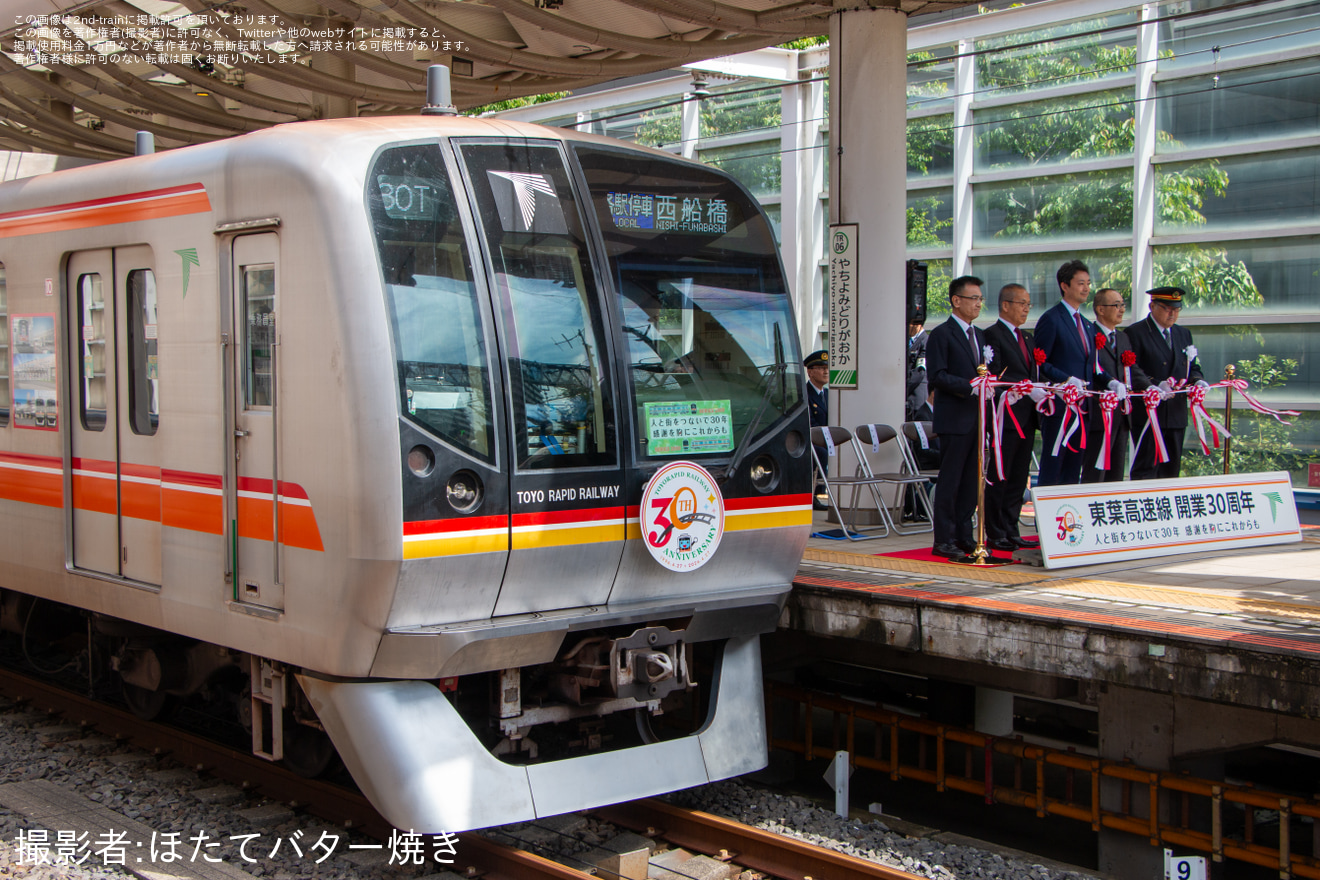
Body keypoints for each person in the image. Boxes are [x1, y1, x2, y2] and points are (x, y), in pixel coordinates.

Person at [926, 275, 988, 559]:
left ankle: (964, 535)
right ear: (956, 300)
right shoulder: (942, 334)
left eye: (980, 299)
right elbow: (937, 376)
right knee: (950, 481)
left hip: (977, 417)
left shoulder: (979, 335)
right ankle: (944, 539)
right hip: (954, 419)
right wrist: (970, 386)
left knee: (971, 482)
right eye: (973, 298)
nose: (978, 304)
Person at [983, 284, 1045, 552]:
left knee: (1020, 477)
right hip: (1004, 419)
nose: (1026, 309)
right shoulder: (991, 335)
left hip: (1027, 417)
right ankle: (995, 531)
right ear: (1005, 305)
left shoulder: (1028, 339)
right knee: (1001, 475)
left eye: (1028, 304)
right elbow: (993, 376)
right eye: (1021, 303)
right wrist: (1021, 386)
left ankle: (1011, 528)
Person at [1126, 286, 1206, 480]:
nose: (1173, 314)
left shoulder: (1183, 334)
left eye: (1177, 309)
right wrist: (1153, 384)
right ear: (1152, 306)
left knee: (1171, 470)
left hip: (1176, 412)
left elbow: (1192, 367)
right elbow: (1131, 370)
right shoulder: (1135, 333)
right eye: (1168, 308)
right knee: (1147, 468)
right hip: (1149, 412)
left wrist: (1198, 381)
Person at [1033, 259, 1096, 486]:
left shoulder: (1088, 325)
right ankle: (1047, 520)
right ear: (1064, 286)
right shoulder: (1051, 319)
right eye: (1080, 283)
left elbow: (1091, 366)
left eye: (1088, 283)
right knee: (1053, 467)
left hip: (1082, 409)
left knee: (1073, 469)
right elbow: (1040, 362)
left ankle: (1068, 519)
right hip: (1059, 407)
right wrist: (1066, 380)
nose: (1086, 288)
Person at [1083, 289, 1151, 482]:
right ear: (1100, 309)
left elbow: (1132, 369)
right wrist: (1110, 383)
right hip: (1099, 415)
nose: (1121, 309)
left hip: (1121, 416)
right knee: (1095, 474)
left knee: (1115, 474)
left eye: (1122, 305)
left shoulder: (1122, 338)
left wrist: (1149, 387)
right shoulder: (1089, 335)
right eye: (1116, 305)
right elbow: (1090, 370)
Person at [804, 349, 831, 509]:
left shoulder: (828, 395)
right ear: (810, 372)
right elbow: (811, 424)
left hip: (827, 439)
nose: (825, 371)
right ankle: (814, 494)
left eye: (827, 367)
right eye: (820, 367)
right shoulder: (805, 395)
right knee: (821, 451)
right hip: (813, 441)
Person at [906, 322, 931, 422]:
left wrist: (904, 387)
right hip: (909, 400)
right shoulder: (906, 340)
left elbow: (920, 372)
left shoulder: (926, 341)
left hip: (918, 399)